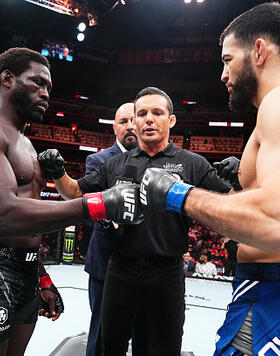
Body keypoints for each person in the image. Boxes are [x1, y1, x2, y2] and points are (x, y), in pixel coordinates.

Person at [39, 86, 232, 356]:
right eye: (142, 113)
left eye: (157, 112)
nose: (149, 118)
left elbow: (231, 201)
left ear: (171, 120)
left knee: (164, 348)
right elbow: (74, 192)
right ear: (135, 121)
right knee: (111, 346)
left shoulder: (192, 163)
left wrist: (238, 177)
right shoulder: (115, 164)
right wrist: (58, 171)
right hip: (120, 270)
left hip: (167, 273)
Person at [139, 3, 280, 355]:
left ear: (259, 51)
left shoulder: (276, 104)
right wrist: (240, 193)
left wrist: (178, 194)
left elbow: (274, 220)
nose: (223, 73)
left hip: (268, 297)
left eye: (227, 59)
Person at [0, 47, 140, 356]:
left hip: (25, 272)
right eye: (37, 82)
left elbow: (29, 229)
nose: (46, 92)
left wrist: (42, 277)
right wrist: (100, 203)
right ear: (7, 79)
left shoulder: (25, 143)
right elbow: (5, 214)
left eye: (49, 86)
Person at [83, 103, 139, 356]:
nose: (130, 125)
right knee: (102, 332)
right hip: (106, 261)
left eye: (134, 120)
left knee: (141, 331)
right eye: (123, 121)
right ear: (115, 127)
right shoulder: (97, 160)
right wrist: (112, 219)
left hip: (144, 263)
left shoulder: (153, 160)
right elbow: (89, 205)